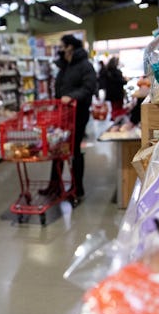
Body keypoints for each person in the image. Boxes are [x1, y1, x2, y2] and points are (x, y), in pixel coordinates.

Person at [39, 34, 97, 202]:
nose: (60, 48)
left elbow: (89, 87)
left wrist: (72, 97)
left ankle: (77, 188)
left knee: (74, 149)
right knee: (57, 147)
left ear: (70, 46)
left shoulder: (85, 65)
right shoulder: (65, 66)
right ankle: (55, 186)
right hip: (62, 114)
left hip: (78, 113)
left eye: (62, 45)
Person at [102, 57, 127, 121]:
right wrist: (125, 80)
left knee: (114, 107)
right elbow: (121, 81)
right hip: (118, 93)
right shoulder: (117, 72)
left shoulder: (106, 71)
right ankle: (117, 119)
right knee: (118, 107)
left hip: (110, 93)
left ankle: (114, 118)